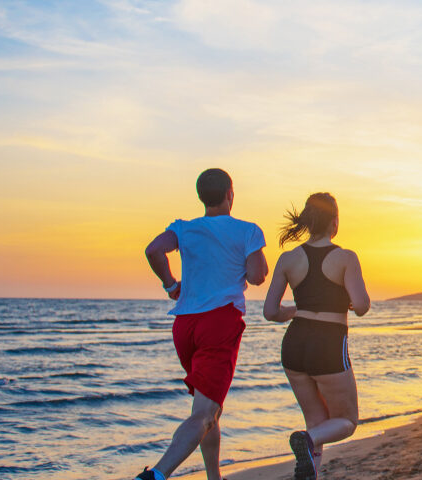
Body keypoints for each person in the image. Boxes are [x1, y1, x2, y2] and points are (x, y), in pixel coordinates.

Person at [139, 168, 268, 480]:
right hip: (220, 322)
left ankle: (214, 477)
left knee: (209, 408)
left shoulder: (183, 228)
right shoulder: (247, 231)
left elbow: (154, 250)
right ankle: (156, 474)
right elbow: (257, 276)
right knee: (204, 414)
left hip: (185, 326)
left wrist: (171, 284)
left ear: (201, 197)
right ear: (230, 195)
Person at [263, 192, 370, 480]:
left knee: (315, 422)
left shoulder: (288, 259)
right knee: (346, 421)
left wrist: (298, 310)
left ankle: (311, 466)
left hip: (294, 343)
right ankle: (306, 441)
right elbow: (361, 306)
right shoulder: (345, 258)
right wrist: (343, 299)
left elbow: (270, 311)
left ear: (308, 222)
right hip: (328, 343)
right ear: (335, 223)